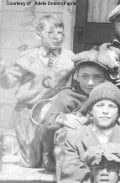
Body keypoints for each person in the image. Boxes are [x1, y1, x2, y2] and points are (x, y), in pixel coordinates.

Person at [0, 14, 74, 167]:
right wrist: (1, 72)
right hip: (27, 113)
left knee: (51, 161)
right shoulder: (26, 58)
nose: (56, 37)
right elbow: (8, 83)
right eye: (50, 33)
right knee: (32, 161)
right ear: (38, 35)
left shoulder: (69, 58)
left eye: (60, 33)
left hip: (53, 112)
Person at [36, 50, 111, 171]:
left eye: (96, 77)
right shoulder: (67, 96)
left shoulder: (109, 96)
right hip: (68, 152)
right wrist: (62, 119)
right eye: (84, 76)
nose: (90, 83)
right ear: (76, 76)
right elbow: (46, 126)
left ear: (104, 78)